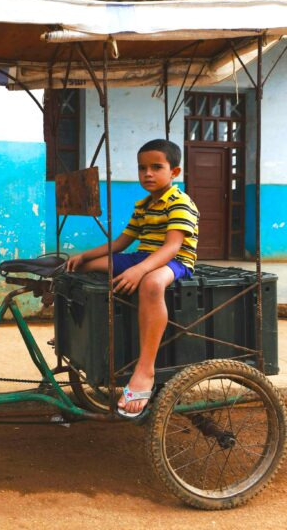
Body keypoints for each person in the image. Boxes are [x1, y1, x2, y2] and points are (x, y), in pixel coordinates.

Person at [66, 139, 199, 419]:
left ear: (174, 172)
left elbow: (172, 247)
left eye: (156, 167)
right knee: (78, 268)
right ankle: (77, 330)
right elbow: (121, 242)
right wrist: (84, 255)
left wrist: (140, 271)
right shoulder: (143, 205)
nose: (147, 173)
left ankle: (145, 369)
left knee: (151, 283)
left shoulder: (180, 202)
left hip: (175, 262)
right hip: (141, 256)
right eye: (142, 168)